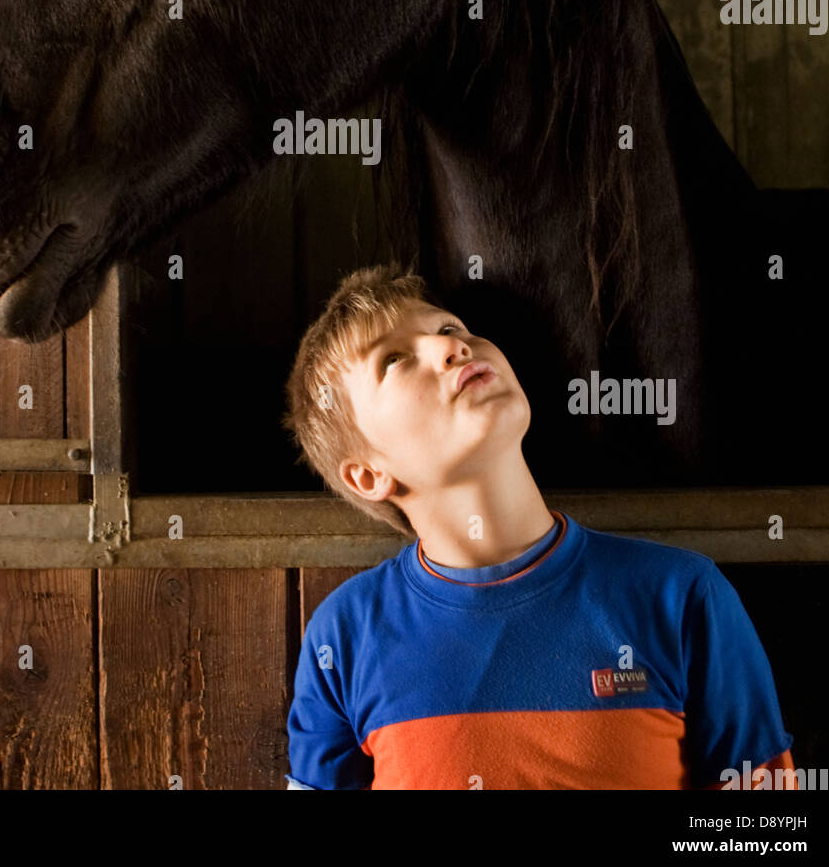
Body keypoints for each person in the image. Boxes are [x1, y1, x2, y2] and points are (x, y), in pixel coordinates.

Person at [282, 265, 797, 790]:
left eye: (450, 328)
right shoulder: (341, 638)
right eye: (393, 359)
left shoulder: (683, 596)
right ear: (368, 474)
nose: (452, 348)